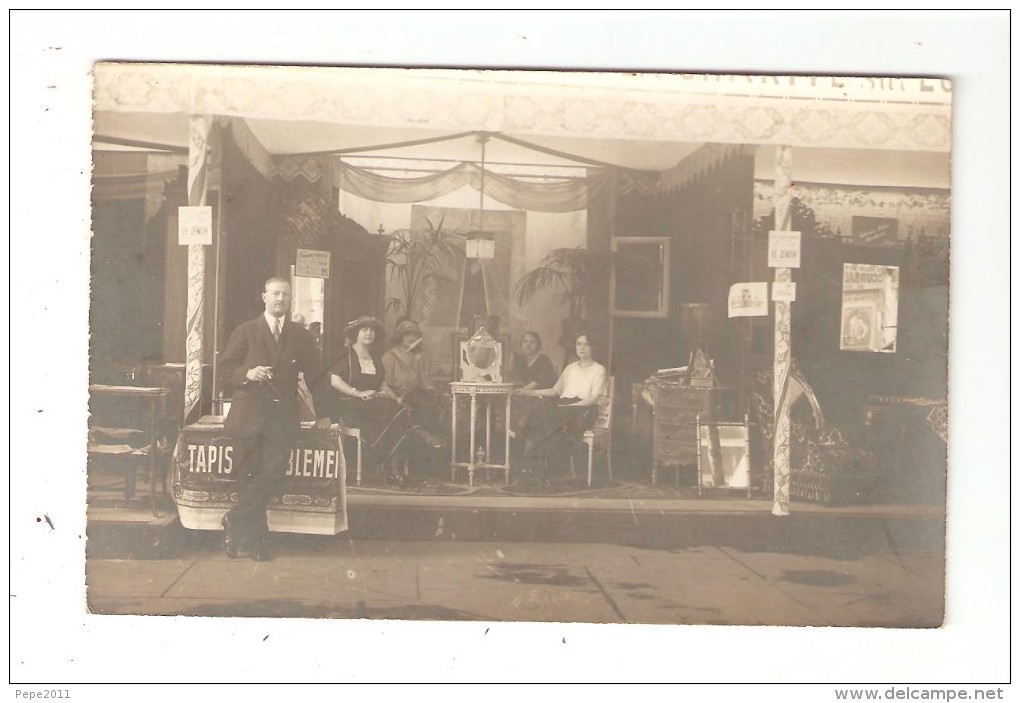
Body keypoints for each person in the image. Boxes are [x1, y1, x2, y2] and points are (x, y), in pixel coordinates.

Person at [218, 276, 332, 561]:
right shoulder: (245, 331)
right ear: (264, 297)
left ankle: (234, 519)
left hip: (281, 417)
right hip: (248, 415)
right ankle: (255, 540)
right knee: (247, 477)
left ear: (290, 299)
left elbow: (316, 376)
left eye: (285, 294)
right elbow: (225, 370)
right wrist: (247, 373)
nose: (280, 299)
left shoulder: (301, 336)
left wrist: (326, 413)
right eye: (275, 293)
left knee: (272, 473)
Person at [329, 316, 416, 484]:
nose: (368, 333)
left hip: (373, 403)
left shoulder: (375, 358)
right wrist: (358, 393)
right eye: (364, 330)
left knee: (399, 410)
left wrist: (394, 398)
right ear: (356, 333)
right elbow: (335, 381)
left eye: (372, 330)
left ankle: (392, 466)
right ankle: (392, 467)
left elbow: (381, 384)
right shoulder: (345, 354)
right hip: (350, 403)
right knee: (393, 412)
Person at [515, 330, 607, 477]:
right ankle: (536, 469)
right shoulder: (570, 368)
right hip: (562, 407)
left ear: (593, 347)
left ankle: (529, 464)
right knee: (541, 421)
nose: (582, 348)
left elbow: (593, 398)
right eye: (579, 344)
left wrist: (569, 407)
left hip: (584, 409)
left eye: (586, 345)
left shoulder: (599, 369)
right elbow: (554, 391)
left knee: (541, 423)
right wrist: (531, 393)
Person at [381, 319, 447, 450]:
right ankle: (427, 438)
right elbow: (384, 386)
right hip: (396, 398)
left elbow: (425, 383)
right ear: (400, 336)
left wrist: (434, 394)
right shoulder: (389, 356)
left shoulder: (419, 357)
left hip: (417, 397)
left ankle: (436, 445)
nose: (411, 337)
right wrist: (397, 400)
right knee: (417, 407)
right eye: (407, 334)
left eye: (415, 334)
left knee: (438, 405)